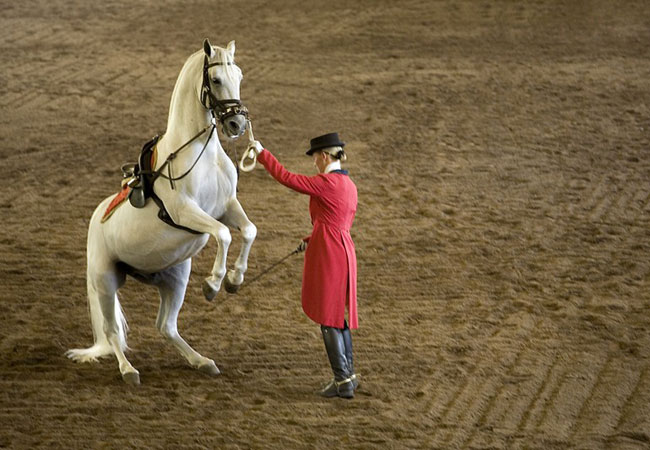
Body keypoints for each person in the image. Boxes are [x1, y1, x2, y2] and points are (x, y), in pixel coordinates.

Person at [250, 132, 359, 399]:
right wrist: (312, 238)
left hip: (330, 253)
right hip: (343, 249)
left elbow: (287, 178)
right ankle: (349, 375)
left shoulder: (326, 182)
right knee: (337, 316)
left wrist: (263, 154)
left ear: (324, 156)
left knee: (328, 318)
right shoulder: (349, 184)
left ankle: (342, 380)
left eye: (315, 158)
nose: (314, 163)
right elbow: (335, 221)